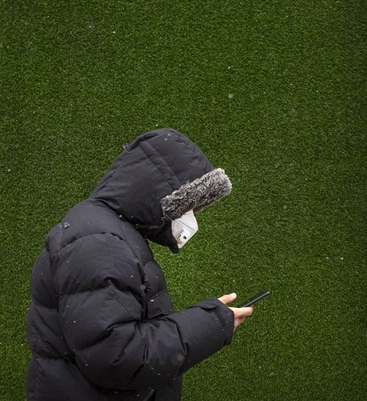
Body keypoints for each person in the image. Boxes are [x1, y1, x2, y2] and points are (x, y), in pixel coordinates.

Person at [26, 128, 253, 401]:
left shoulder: (104, 231)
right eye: (186, 205)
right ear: (161, 191)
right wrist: (212, 323)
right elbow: (116, 356)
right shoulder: (99, 241)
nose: (188, 216)